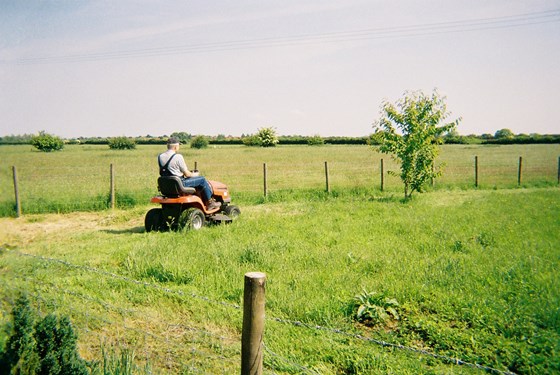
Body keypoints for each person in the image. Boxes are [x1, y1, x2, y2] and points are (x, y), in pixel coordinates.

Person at [158, 137, 221, 210]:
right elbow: (187, 174)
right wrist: (195, 174)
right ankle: (210, 203)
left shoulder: (160, 157)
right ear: (175, 147)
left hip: (167, 184)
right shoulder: (178, 156)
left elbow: (163, 171)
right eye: (179, 146)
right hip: (180, 184)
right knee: (202, 180)